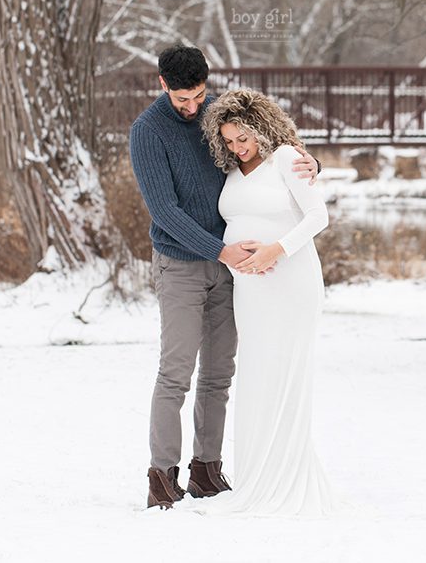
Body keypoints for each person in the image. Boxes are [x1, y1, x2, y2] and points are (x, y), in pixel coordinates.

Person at [128, 45, 320, 510]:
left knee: (219, 373)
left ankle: (206, 470)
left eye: (198, 96)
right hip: (181, 265)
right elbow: (164, 211)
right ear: (162, 86)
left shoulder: (218, 115)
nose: (192, 108)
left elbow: (264, 158)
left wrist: (312, 166)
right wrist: (219, 249)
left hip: (231, 268)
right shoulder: (148, 132)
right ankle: (162, 475)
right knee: (176, 371)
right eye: (182, 100)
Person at [193, 88, 336, 517]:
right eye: (230, 141)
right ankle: (256, 478)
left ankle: (285, 480)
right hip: (250, 291)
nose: (238, 147)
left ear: (262, 128)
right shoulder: (232, 173)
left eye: (244, 139)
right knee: (255, 377)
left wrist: (277, 249)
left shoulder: (288, 159)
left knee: (285, 377)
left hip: (290, 282)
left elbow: (318, 215)